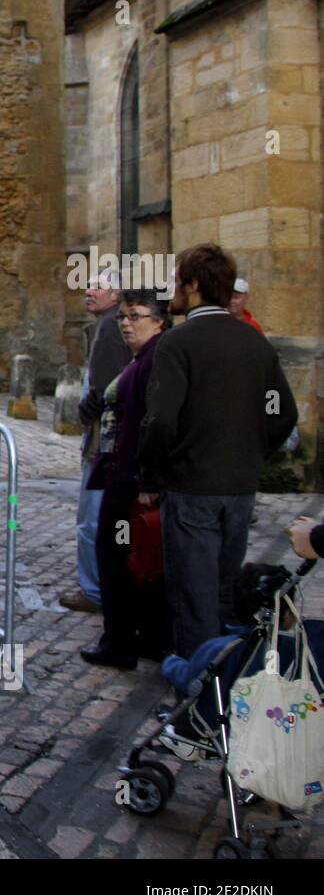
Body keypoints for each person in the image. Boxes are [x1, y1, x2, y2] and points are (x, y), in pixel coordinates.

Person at [138, 243, 298, 658]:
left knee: (195, 596)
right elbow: (280, 411)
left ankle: (197, 701)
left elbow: (160, 420)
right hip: (239, 487)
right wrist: (252, 451)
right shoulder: (254, 343)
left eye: (177, 281)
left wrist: (152, 474)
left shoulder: (179, 343)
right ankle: (222, 684)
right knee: (222, 591)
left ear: (193, 285)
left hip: (192, 486)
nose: (172, 289)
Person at [80, 291, 173, 670]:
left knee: (119, 558)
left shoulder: (155, 361)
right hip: (125, 478)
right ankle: (147, 637)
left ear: (159, 321)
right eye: (122, 317)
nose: (126, 323)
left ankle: (121, 641)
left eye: (136, 316)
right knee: (137, 561)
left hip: (132, 486)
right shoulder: (143, 359)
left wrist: (148, 480)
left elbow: (155, 423)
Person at [61, 271, 132, 614]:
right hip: (113, 440)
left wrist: (84, 413)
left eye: (99, 287)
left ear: (116, 295)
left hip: (104, 442)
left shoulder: (108, 327)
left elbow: (105, 387)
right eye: (89, 285)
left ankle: (94, 589)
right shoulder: (112, 325)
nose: (89, 292)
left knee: (92, 518)